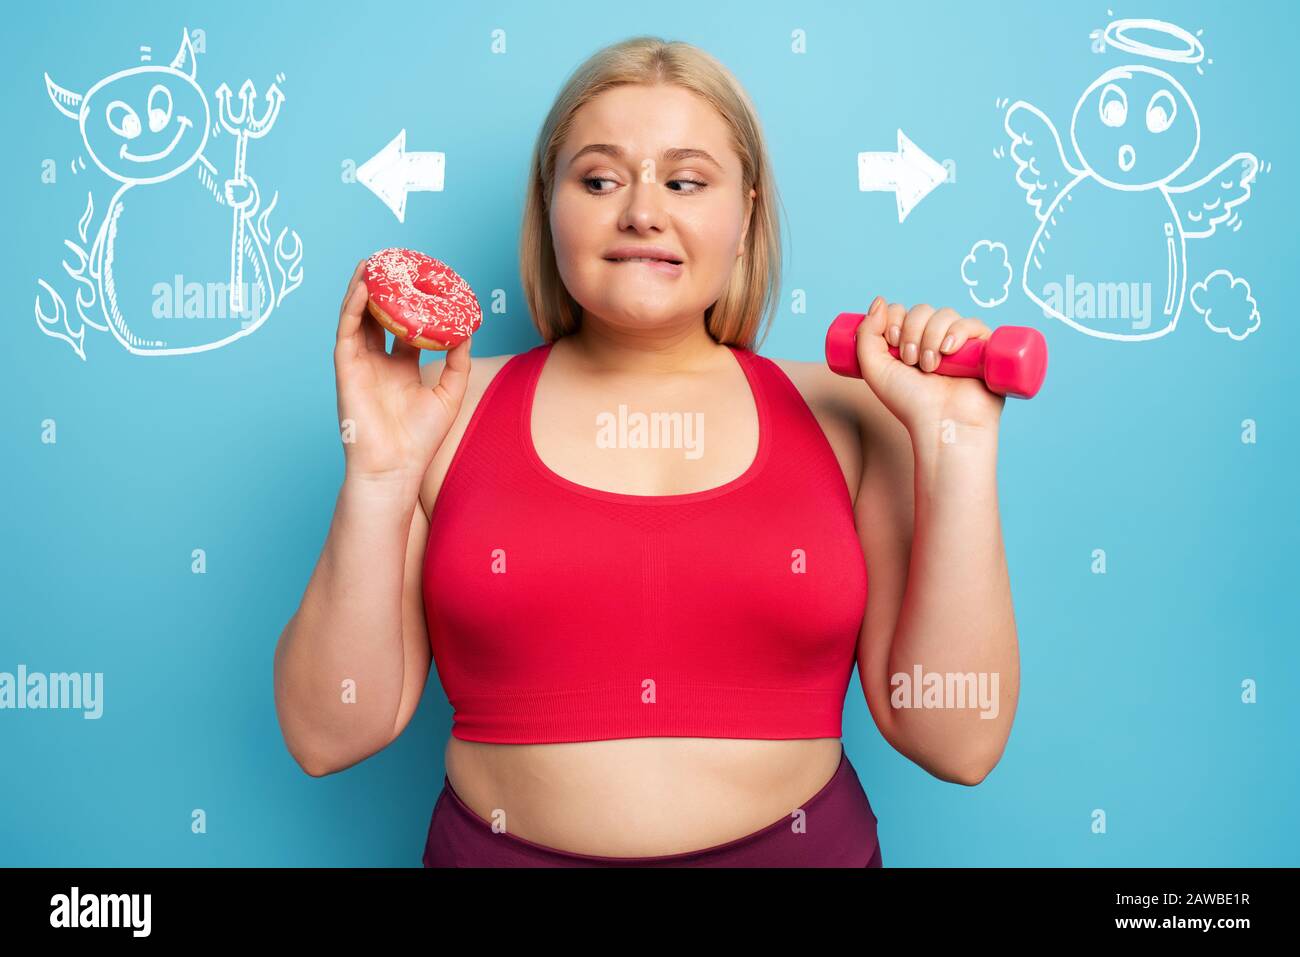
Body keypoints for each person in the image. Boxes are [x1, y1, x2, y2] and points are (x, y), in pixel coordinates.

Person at [273, 36, 1020, 867]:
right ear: (549, 205)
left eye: (686, 180)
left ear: (746, 215)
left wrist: (959, 447)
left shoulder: (856, 411)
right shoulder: (438, 410)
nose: (641, 210)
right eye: (598, 179)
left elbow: (959, 742)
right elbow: (324, 734)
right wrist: (378, 473)